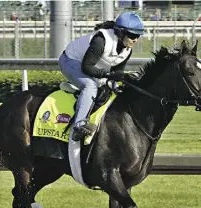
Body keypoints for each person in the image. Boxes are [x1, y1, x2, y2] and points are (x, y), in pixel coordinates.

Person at [58, 12, 144, 142]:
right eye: (132, 35)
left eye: (138, 36)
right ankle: (79, 125)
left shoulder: (127, 50)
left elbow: (116, 75)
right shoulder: (101, 40)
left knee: (114, 90)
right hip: (70, 61)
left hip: (90, 65)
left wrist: (119, 82)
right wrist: (108, 74)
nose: (135, 39)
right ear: (120, 33)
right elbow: (86, 67)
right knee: (90, 85)